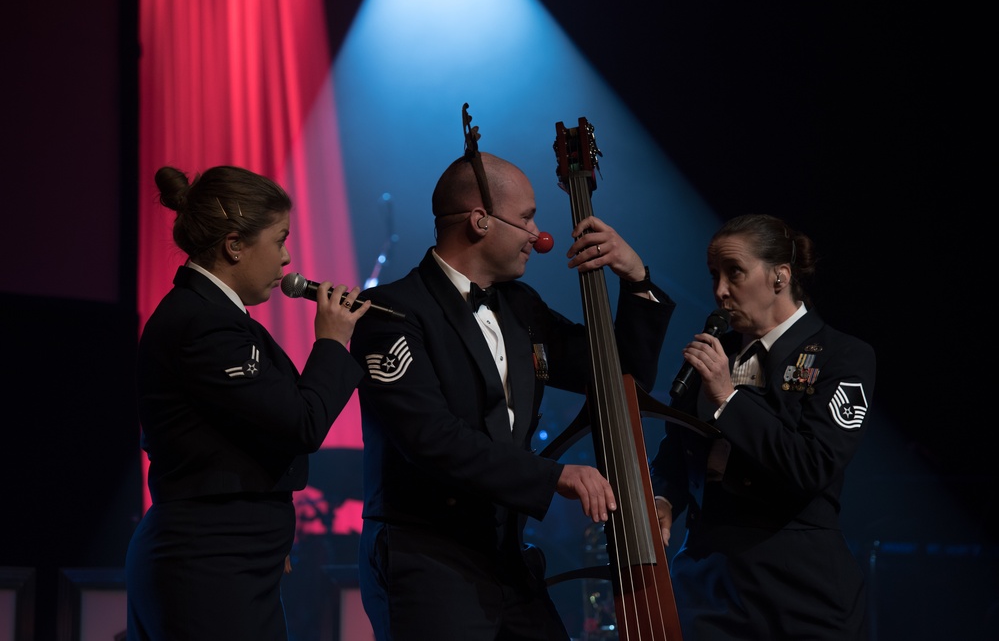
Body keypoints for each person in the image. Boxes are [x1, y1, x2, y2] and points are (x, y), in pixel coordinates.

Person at [348, 133, 676, 640]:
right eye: (525, 218)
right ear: (480, 221)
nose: (538, 235)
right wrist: (553, 476)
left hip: (506, 560)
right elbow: (430, 439)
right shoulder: (391, 312)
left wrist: (635, 280)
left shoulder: (521, 306)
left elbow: (620, 376)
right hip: (427, 561)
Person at [125, 165, 371, 640]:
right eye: (279, 240)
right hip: (205, 560)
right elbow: (300, 422)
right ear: (235, 245)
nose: (287, 258)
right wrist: (331, 342)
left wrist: (263, 529)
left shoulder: (218, 317)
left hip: (225, 554)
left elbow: (234, 438)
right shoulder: (204, 324)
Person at [649, 213, 876, 640]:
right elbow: (676, 449)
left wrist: (728, 398)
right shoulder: (717, 356)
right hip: (706, 581)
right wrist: (664, 498)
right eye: (714, 274)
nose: (719, 290)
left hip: (797, 587)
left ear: (780, 277)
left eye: (734, 272)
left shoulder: (841, 356)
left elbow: (813, 464)